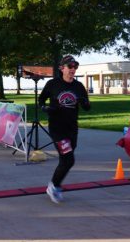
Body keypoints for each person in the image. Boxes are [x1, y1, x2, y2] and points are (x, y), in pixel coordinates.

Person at [39, 55, 91, 204]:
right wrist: (46, 108)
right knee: (69, 159)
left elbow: (87, 107)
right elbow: (41, 100)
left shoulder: (78, 87)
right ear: (62, 68)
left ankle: (55, 184)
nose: (73, 70)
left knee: (65, 161)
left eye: (75, 67)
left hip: (72, 128)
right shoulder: (52, 84)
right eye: (70, 67)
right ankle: (53, 186)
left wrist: (84, 102)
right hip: (57, 128)